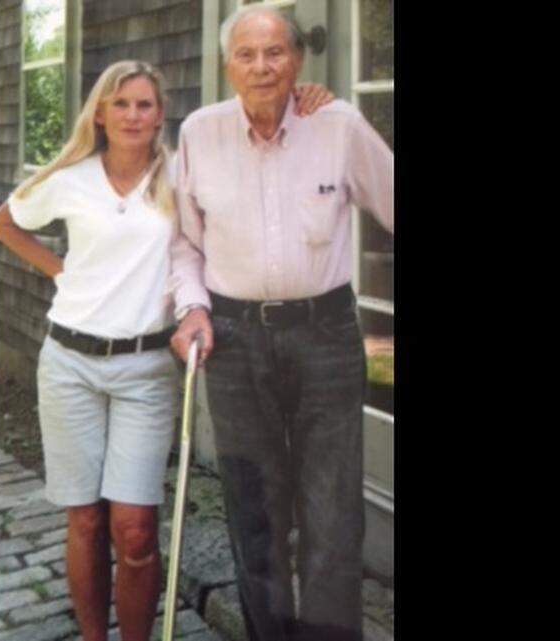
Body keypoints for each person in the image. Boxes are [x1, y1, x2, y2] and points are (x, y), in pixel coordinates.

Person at [0, 60, 334, 641]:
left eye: (144, 104)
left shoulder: (180, 176)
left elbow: (250, 159)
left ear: (160, 114)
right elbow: (5, 222)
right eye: (120, 103)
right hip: (69, 362)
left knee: (134, 530)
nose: (132, 115)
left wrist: (300, 103)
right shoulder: (70, 177)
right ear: (99, 112)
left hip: (146, 368)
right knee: (84, 518)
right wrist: (61, 272)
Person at [167, 5, 395, 641]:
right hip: (235, 341)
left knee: (332, 512)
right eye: (247, 54)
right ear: (226, 65)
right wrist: (192, 308)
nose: (262, 67)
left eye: (275, 53)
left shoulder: (339, 125)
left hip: (325, 336)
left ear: (297, 60)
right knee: (254, 509)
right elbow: (186, 244)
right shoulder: (199, 134)